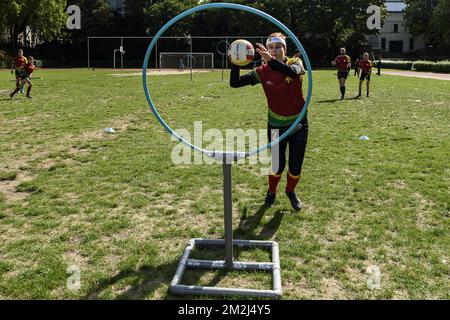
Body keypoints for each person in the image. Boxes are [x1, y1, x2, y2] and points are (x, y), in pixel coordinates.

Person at [230, 33, 308, 212]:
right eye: (271, 47)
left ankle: (290, 191)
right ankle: (271, 192)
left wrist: (270, 61)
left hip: (298, 123)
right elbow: (235, 83)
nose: (274, 50)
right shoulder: (262, 71)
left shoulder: (294, 62)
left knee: (296, 165)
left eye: (278, 47)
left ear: (285, 49)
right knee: (276, 164)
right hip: (275, 124)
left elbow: (293, 73)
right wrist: (235, 62)